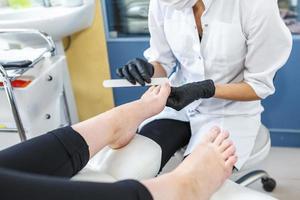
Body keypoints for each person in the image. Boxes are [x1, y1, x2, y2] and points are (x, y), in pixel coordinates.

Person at [116, 0, 293, 171]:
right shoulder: (163, 2)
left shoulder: (254, 4)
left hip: (230, 113)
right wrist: (148, 70)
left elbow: (258, 86)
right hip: (179, 104)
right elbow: (162, 62)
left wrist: (205, 89)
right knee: (131, 165)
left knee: (191, 182)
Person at [0, 84, 237, 200]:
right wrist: (149, 67)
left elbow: (260, 84)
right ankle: (185, 186)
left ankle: (115, 123)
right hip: (179, 110)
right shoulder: (163, 6)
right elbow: (160, 59)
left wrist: (211, 88)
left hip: (231, 109)